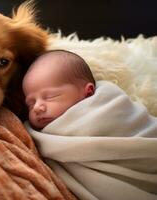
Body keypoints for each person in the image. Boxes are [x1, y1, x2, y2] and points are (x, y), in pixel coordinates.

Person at [23, 50, 157, 200]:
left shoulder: (110, 108)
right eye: (30, 103)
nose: (37, 107)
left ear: (87, 93)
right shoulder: (38, 136)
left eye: (51, 96)